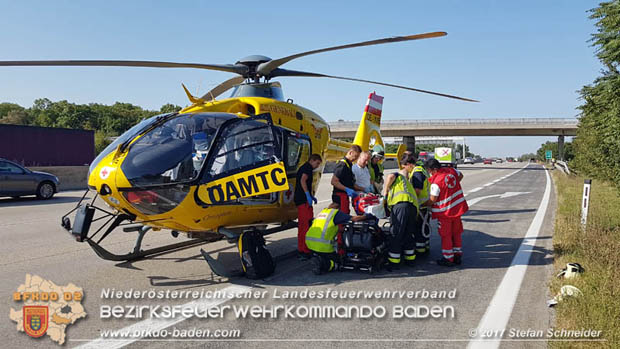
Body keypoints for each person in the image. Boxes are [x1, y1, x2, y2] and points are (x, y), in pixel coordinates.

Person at [306, 201, 371, 274]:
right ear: (338, 209)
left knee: (324, 255)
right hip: (322, 246)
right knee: (338, 263)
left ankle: (318, 258)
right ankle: (323, 264)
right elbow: (354, 219)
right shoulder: (335, 213)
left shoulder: (322, 213)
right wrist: (367, 216)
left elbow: (329, 228)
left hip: (310, 244)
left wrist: (343, 230)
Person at [425, 159, 468, 266]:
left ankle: (448, 258)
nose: (430, 173)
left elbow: (432, 200)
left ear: (434, 169)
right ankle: (457, 255)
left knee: (446, 235)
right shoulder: (451, 171)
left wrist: (422, 204)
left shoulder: (436, 183)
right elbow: (461, 175)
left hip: (445, 213)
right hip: (457, 210)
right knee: (456, 233)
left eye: (430, 171)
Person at [382, 153, 420, 269]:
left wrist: (385, 192)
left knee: (396, 233)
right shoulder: (407, 181)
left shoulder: (398, 175)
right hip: (412, 208)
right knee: (408, 233)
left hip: (401, 206)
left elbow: (389, 177)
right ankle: (410, 259)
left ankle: (394, 262)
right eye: (412, 164)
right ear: (406, 165)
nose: (413, 167)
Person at [294, 153, 323, 260]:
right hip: (303, 201)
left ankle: (301, 249)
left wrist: (310, 195)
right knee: (306, 226)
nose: (317, 166)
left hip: (301, 200)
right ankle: (306, 250)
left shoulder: (304, 167)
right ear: (313, 160)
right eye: (317, 163)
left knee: (302, 227)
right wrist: (307, 195)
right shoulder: (307, 168)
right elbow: (303, 180)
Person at [331, 145, 364, 214]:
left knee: (345, 214)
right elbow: (334, 181)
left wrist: (362, 189)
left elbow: (350, 181)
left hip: (344, 195)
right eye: (355, 156)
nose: (356, 159)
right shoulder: (342, 165)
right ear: (351, 152)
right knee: (342, 216)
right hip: (340, 195)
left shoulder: (349, 165)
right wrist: (346, 189)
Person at [410, 154, 431, 254]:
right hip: (425, 204)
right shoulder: (423, 170)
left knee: (419, 229)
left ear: (410, 164)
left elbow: (417, 190)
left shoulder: (417, 172)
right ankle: (425, 246)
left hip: (420, 205)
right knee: (424, 228)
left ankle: (420, 250)